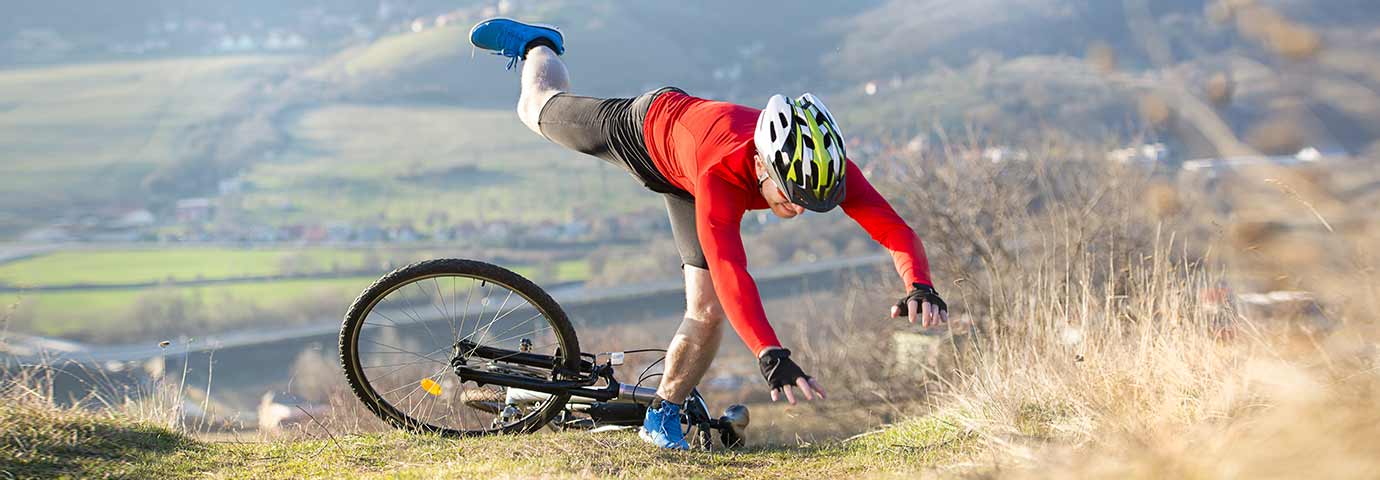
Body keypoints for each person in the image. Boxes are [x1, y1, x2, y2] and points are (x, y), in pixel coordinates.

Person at [469, 18, 948, 450]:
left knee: (706, 312)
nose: (799, 207)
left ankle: (662, 415)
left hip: (690, 168)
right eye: (791, 194)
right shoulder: (723, 176)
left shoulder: (820, 167)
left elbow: (893, 228)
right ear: (762, 162)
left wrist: (919, 283)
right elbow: (729, 268)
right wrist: (769, 352)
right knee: (536, 109)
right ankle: (537, 42)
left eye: (811, 199)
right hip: (648, 130)